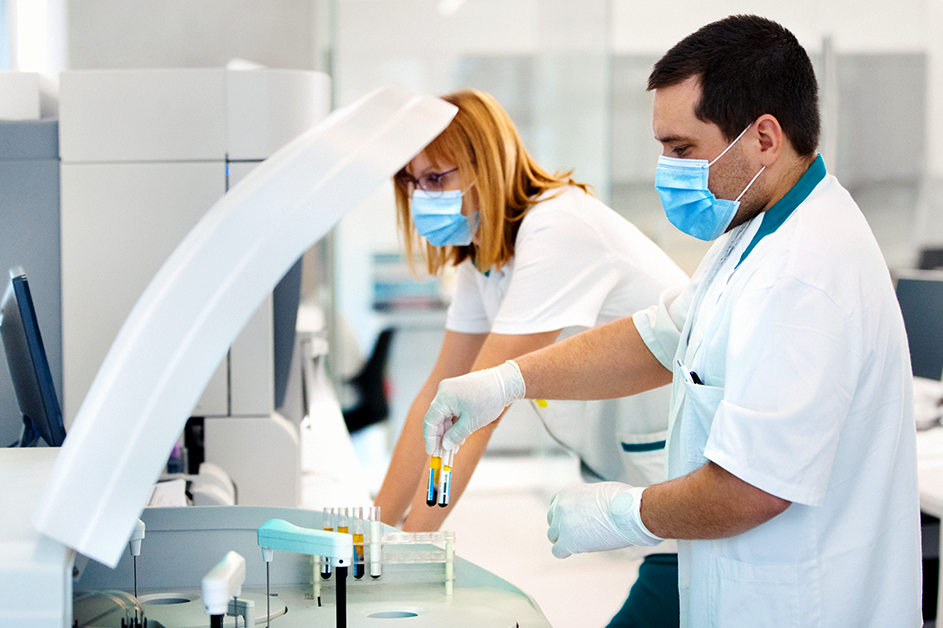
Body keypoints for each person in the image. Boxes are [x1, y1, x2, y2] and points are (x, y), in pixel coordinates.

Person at [422, 16, 922, 628]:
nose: (668, 169)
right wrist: (508, 381)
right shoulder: (754, 230)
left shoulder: (805, 275)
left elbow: (752, 489)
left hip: (799, 602)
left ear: (764, 138)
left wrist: (620, 514)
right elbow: (657, 338)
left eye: (683, 149)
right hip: (734, 585)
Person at [373, 88, 689, 627]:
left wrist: (406, 553)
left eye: (437, 178)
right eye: (411, 182)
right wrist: (373, 533)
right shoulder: (486, 257)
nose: (423, 195)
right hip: (643, 464)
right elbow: (436, 395)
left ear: (485, 166)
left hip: (686, 455)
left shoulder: (555, 227)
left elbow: (473, 415)